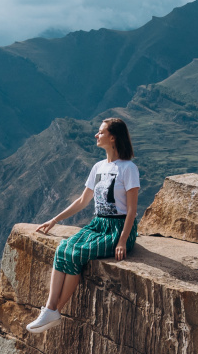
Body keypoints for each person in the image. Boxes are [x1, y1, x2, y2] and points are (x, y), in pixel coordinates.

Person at [26, 118, 139, 332]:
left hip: (117, 228)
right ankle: (50, 309)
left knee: (77, 254)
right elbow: (82, 201)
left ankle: (54, 311)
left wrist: (123, 240)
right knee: (63, 249)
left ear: (113, 137)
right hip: (98, 224)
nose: (96, 136)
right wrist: (54, 220)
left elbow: (132, 210)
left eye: (100, 132)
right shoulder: (98, 167)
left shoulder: (128, 168)